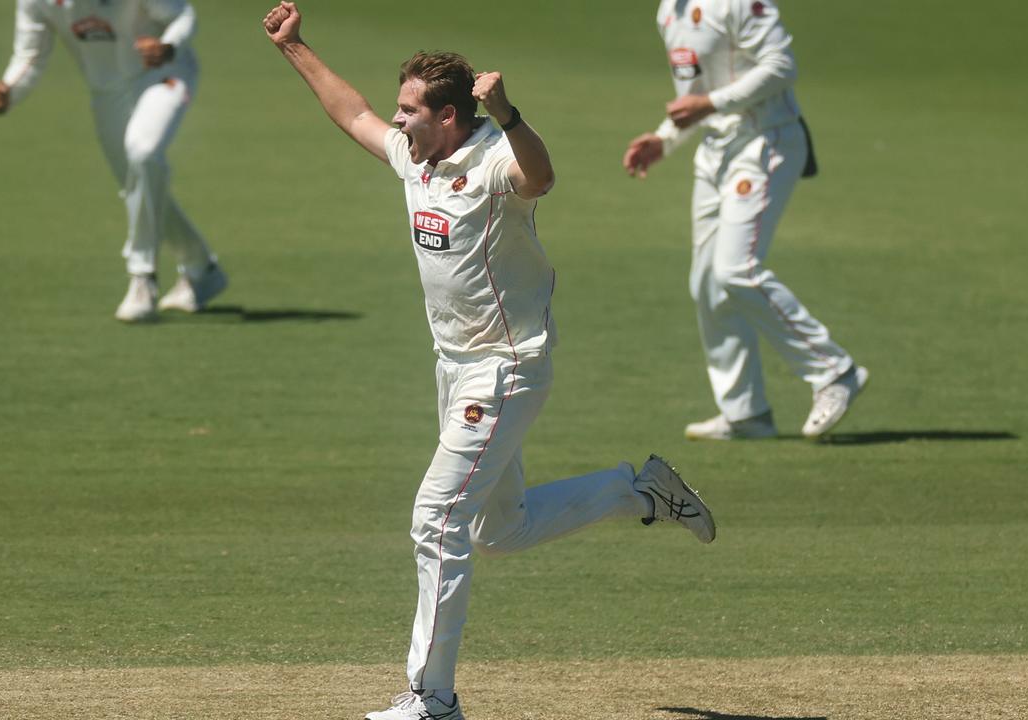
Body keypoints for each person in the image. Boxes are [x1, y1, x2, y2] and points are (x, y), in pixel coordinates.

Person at [262, 3, 716, 718]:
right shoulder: (417, 155)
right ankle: (640, 492)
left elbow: (542, 176)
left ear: (450, 116)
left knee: (436, 518)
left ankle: (432, 697)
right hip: (454, 368)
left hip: (505, 368)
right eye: (401, 106)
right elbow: (351, 114)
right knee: (496, 532)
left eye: (411, 109)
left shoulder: (493, 163)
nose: (398, 118)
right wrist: (296, 47)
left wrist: (508, 115)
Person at [623, 0, 868, 440]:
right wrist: (664, 139)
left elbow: (781, 65)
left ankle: (834, 371)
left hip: (765, 142)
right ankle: (746, 412)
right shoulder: (669, 13)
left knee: (735, 269)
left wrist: (711, 103)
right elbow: (691, 99)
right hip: (717, 151)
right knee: (706, 282)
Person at [0, 0, 228, 322]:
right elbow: (31, 53)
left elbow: (182, 14)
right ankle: (202, 268)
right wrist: (10, 89)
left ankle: (142, 276)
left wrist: (169, 46)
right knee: (140, 184)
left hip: (163, 73)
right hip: (107, 93)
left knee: (143, 153)